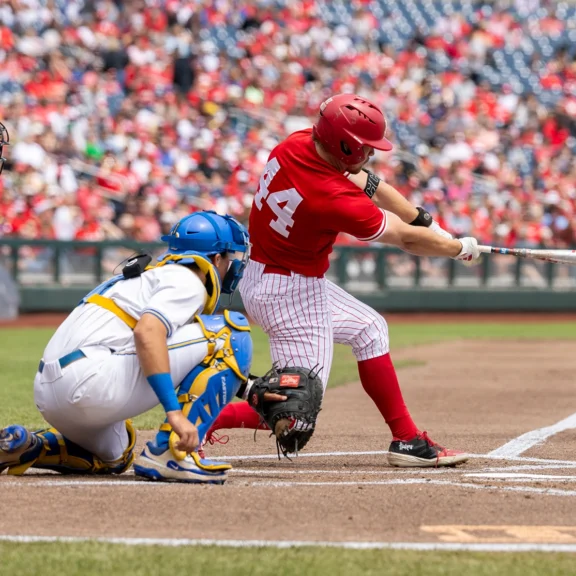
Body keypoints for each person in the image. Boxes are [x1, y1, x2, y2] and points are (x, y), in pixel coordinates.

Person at [204, 93, 480, 468]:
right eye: (365, 146)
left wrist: (425, 221)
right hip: (289, 292)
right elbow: (405, 239)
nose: (371, 153)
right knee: (292, 411)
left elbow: (370, 183)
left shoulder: (298, 143)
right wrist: (457, 248)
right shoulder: (331, 196)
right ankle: (195, 421)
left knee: (370, 329)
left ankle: (407, 440)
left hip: (272, 275)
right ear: (344, 145)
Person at [0, 211, 254, 484]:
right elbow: (148, 333)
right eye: (230, 257)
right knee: (230, 333)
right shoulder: (188, 280)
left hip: (50, 395)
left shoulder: (151, 277)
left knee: (117, 454)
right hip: (89, 382)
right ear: (216, 258)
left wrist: (251, 390)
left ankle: (31, 446)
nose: (232, 266)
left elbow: (192, 354)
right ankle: (172, 453)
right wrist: (174, 413)